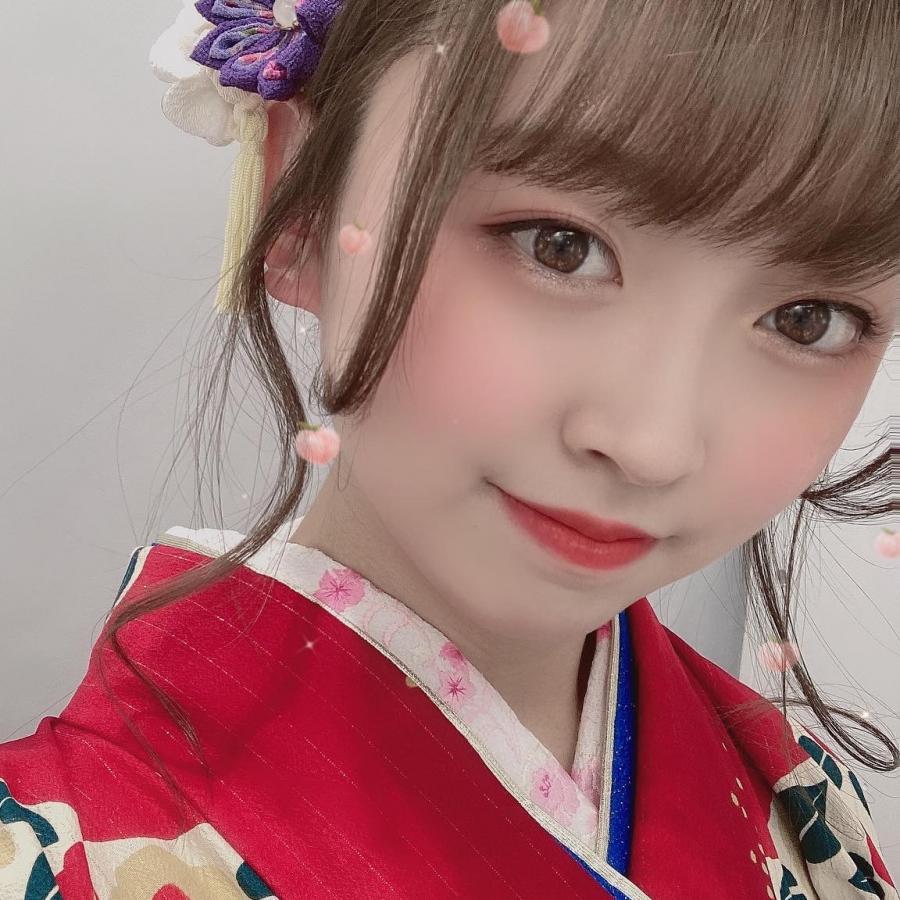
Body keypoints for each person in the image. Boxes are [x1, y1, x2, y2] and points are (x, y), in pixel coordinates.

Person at [1, 0, 897, 896]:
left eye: (808, 320)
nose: (652, 446)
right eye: (560, 247)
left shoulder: (803, 795)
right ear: (300, 196)